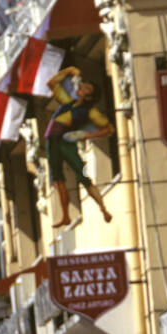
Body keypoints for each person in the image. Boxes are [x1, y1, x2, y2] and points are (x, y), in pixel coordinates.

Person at [44, 66, 114, 228]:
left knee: (83, 176)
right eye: (84, 85)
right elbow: (51, 83)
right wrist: (69, 71)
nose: (82, 87)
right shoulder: (68, 102)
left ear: (90, 96)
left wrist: (89, 135)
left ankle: (103, 209)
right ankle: (65, 215)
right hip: (52, 141)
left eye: (87, 88)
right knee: (57, 179)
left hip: (65, 142)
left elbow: (108, 128)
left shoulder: (90, 112)